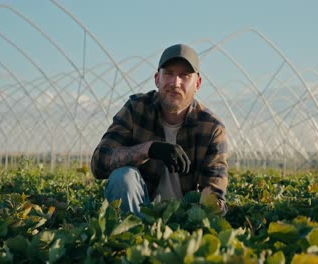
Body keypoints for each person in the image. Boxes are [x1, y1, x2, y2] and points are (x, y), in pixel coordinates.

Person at [91, 43, 228, 216]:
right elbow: (99, 162)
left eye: (184, 75)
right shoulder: (137, 109)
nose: (175, 83)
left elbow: (215, 196)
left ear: (198, 84)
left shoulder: (211, 128)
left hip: (184, 219)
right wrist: (149, 149)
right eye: (168, 73)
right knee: (122, 177)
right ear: (157, 79)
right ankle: (132, 238)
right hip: (141, 213)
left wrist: (197, 219)